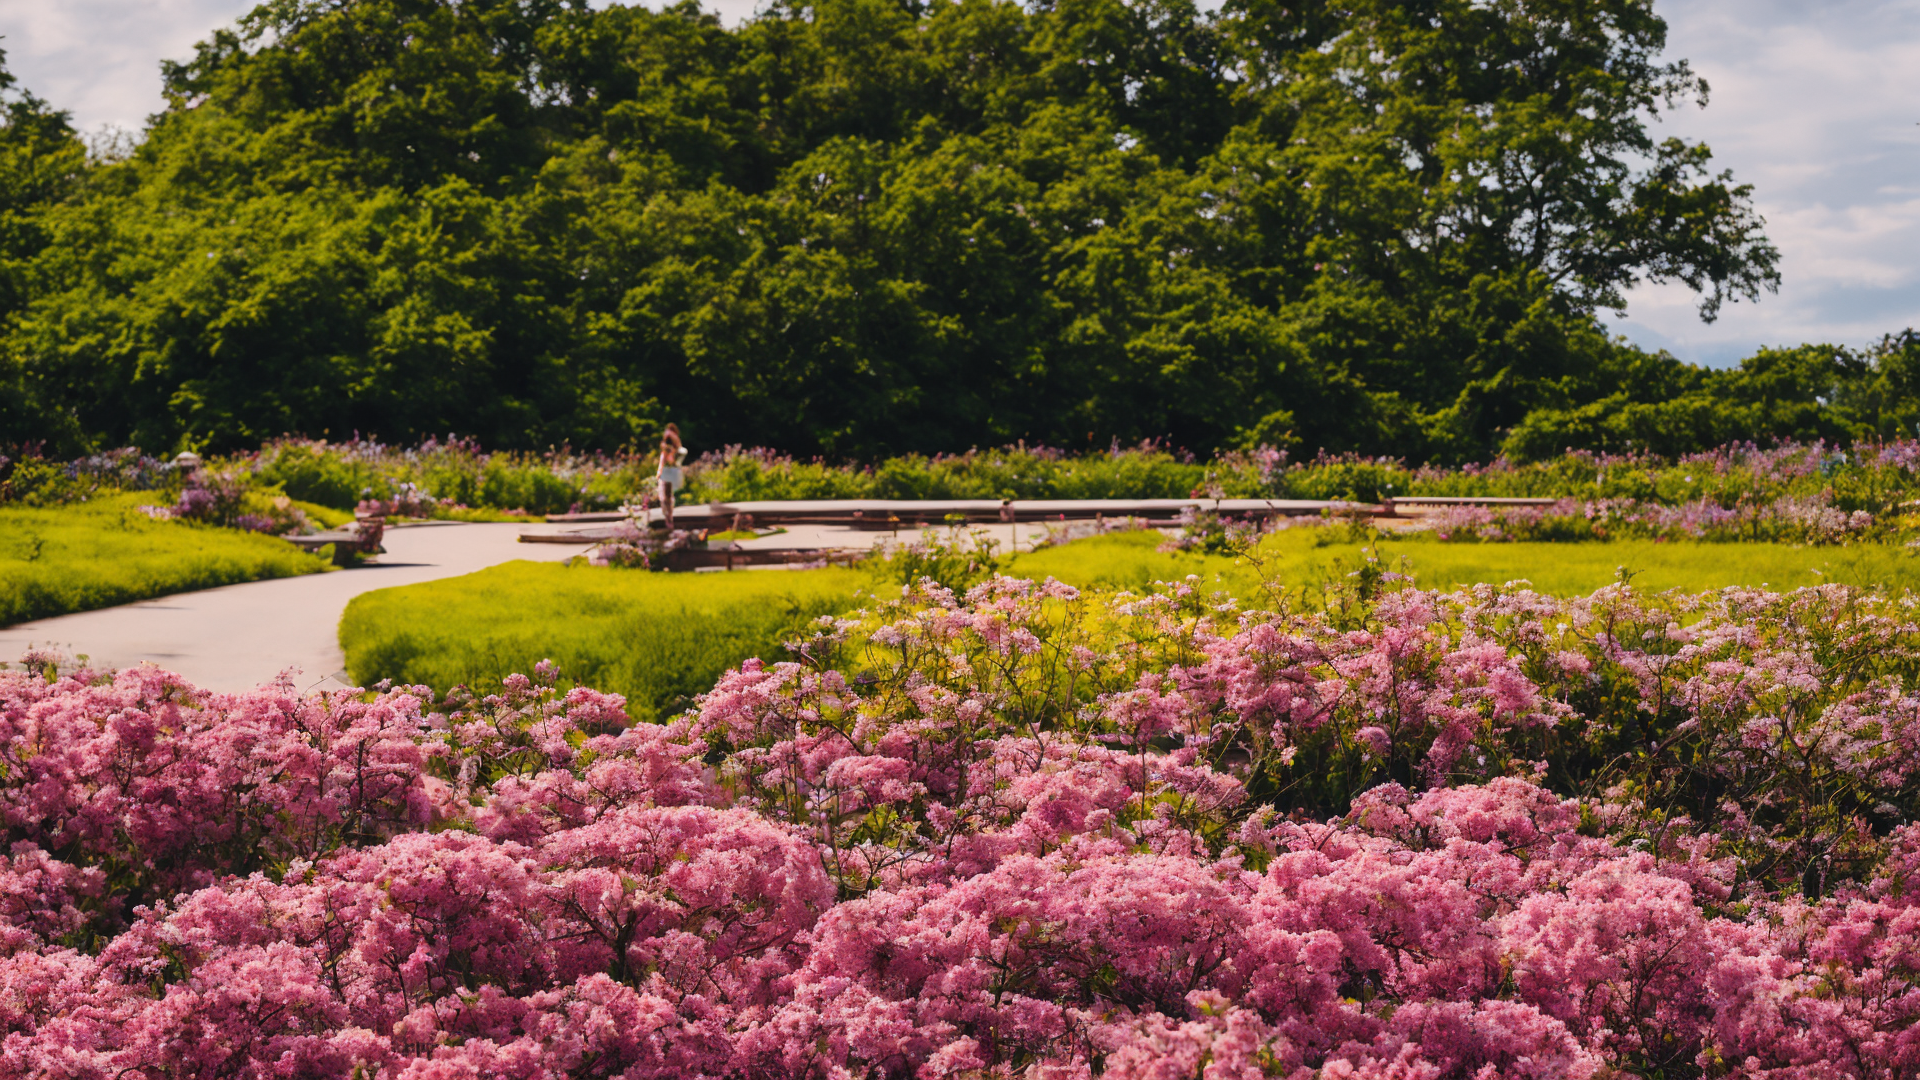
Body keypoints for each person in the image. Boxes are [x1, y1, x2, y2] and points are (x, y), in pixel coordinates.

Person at [654, 423, 687, 530]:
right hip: (668, 473)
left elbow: (671, 460)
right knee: (665, 497)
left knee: (667, 497)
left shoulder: (677, 451)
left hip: (671, 473)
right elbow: (663, 461)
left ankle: (669, 517)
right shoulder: (667, 450)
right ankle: (668, 517)